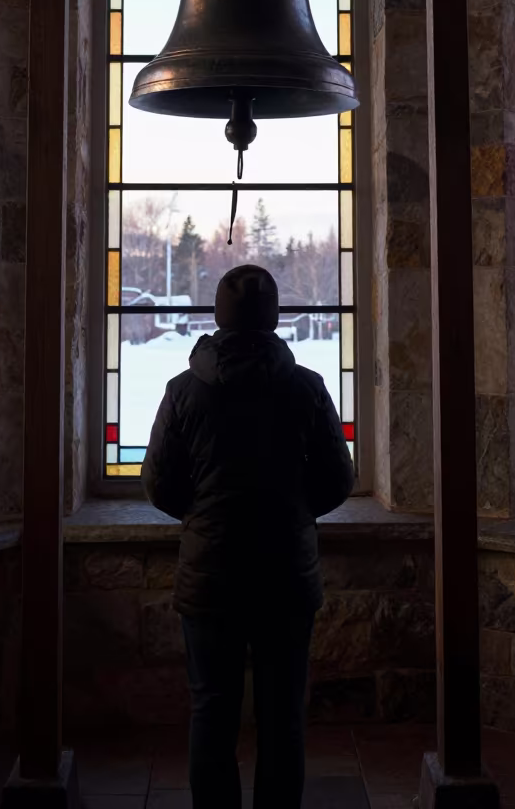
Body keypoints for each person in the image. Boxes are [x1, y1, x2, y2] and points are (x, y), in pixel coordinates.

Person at [142, 264, 354, 809]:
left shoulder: (185, 391)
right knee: (282, 714)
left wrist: (205, 517)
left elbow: (158, 483)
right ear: (275, 317)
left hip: (211, 574)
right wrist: (295, 512)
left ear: (219, 316)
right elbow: (339, 478)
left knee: (211, 708)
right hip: (285, 572)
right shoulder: (306, 388)